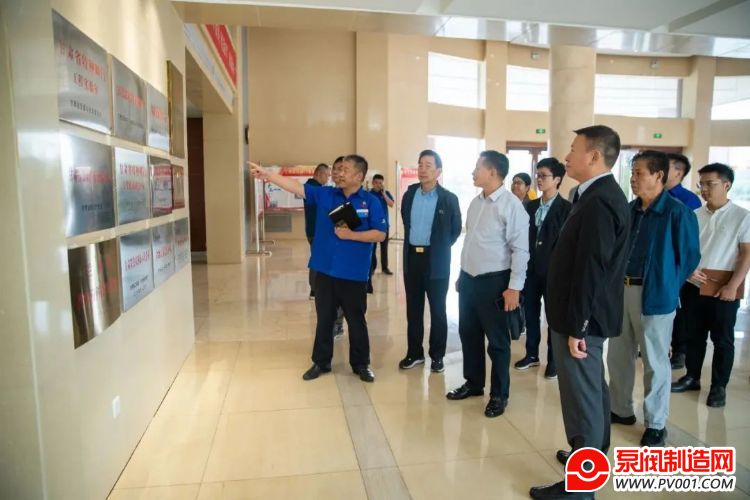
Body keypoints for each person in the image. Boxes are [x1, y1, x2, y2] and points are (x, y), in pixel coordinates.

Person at [530, 125, 630, 500]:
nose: (567, 156)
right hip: (580, 314)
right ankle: (589, 455)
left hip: (581, 319)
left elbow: (592, 268)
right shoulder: (591, 194)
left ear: (594, 156)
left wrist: (578, 327)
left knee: (582, 399)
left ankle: (581, 488)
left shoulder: (600, 200)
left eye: (573, 150)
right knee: (592, 392)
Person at [250, 155, 386, 383]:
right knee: (324, 318)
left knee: (356, 320)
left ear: (359, 176)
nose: (339, 173)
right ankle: (321, 362)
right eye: (338, 169)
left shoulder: (370, 201)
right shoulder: (326, 194)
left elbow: (380, 234)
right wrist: (268, 176)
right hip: (325, 270)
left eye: (345, 170)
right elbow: (296, 187)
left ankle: (361, 364)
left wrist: (351, 235)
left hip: (354, 273)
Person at [606, 150, 699, 448]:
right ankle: (620, 409)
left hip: (655, 295)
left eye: (639, 173)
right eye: (632, 173)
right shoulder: (629, 210)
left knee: (655, 362)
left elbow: (689, 257)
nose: (633, 179)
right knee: (618, 355)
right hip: (622, 291)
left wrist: (667, 285)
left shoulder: (677, 213)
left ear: (658, 175)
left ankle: (656, 423)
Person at [446, 150, 529, 419]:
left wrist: (514, 287)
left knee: (498, 342)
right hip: (469, 280)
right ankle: (473, 383)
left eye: (477, 167)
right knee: (468, 334)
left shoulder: (511, 206)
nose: (473, 172)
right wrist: (462, 274)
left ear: (493, 172)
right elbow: (471, 242)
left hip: (495, 283)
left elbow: (521, 250)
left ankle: (499, 394)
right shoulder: (476, 202)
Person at [672, 163, 750, 408]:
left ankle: (718, 387)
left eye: (710, 184)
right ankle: (692, 377)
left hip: (723, 288)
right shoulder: (694, 215)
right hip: (693, 285)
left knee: (722, 339)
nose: (704, 189)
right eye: (701, 184)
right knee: (693, 335)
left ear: (727, 185)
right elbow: (683, 250)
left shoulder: (742, 216)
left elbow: (746, 254)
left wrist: (733, 286)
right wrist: (688, 272)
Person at [399, 150, 462, 373]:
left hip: (436, 261)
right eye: (420, 165)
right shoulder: (409, 195)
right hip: (412, 259)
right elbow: (406, 221)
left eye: (428, 165)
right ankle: (414, 353)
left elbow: (455, 230)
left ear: (438, 171)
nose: (422, 169)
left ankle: (437, 356)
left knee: (438, 310)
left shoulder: (448, 199)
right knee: (413, 310)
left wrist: (439, 247)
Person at [514, 157, 571, 380]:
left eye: (544, 176)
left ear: (557, 179)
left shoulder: (567, 209)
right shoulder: (530, 206)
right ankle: (531, 354)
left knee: (553, 317)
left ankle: (554, 360)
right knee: (530, 313)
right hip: (530, 271)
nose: (539, 179)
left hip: (554, 273)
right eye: (537, 175)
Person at [665, 153, 702, 370]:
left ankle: (679, 351)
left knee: (680, 312)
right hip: (662, 265)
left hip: (679, 265)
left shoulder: (689, 201)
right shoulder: (656, 197)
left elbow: (689, 238)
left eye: (666, 166)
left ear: (678, 172)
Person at [304, 163, 331, 299]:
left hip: (314, 230)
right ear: (320, 174)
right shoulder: (313, 189)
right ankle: (314, 290)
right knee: (316, 258)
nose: (328, 178)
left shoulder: (313, 187)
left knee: (318, 257)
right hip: (316, 231)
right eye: (327, 175)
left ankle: (317, 288)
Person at [369, 174, 395, 276]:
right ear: (373, 183)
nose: (378, 185)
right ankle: (372, 268)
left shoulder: (386, 193)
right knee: (373, 248)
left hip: (384, 225)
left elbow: (391, 204)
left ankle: (385, 268)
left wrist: (384, 194)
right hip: (372, 226)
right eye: (376, 183)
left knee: (384, 248)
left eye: (380, 183)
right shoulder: (369, 194)